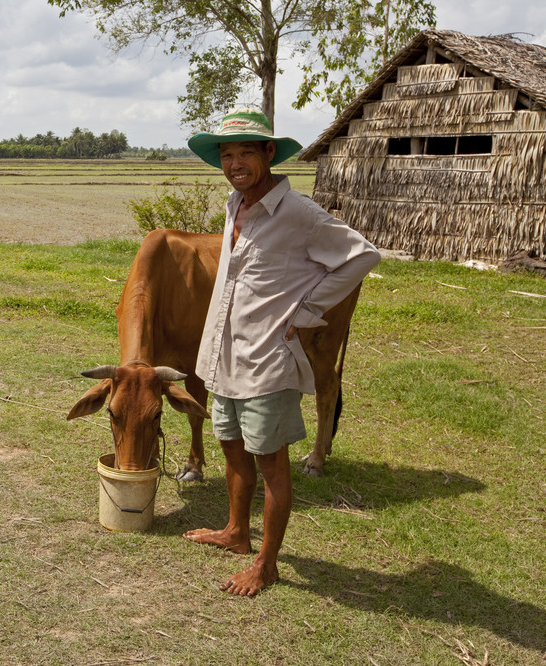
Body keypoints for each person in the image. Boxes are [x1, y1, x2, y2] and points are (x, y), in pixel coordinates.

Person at [182, 108, 380, 596]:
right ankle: (235, 532)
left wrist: (308, 310)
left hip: (266, 360)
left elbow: (362, 256)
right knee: (230, 447)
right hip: (224, 354)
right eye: (226, 154)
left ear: (269, 152)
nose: (235, 163)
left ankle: (267, 564)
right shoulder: (236, 204)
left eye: (245, 151)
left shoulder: (299, 213)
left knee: (270, 462)